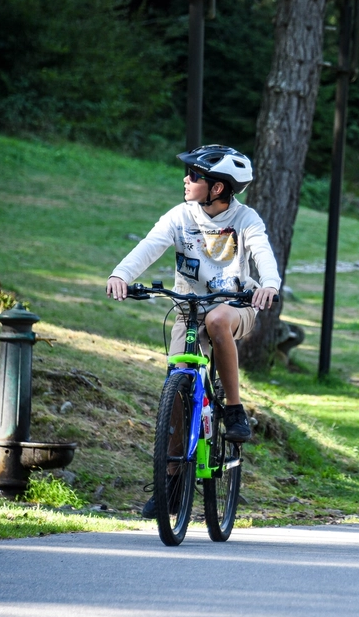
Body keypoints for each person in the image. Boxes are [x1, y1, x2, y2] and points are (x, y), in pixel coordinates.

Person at [106, 145, 281, 518]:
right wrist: (121, 274)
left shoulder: (245, 218)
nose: (187, 180)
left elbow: (262, 252)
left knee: (218, 321)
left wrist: (268, 283)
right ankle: (171, 482)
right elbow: (150, 245)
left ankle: (233, 410)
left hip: (235, 305)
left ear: (217, 188)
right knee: (177, 385)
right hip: (188, 308)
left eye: (195, 176)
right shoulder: (179, 216)